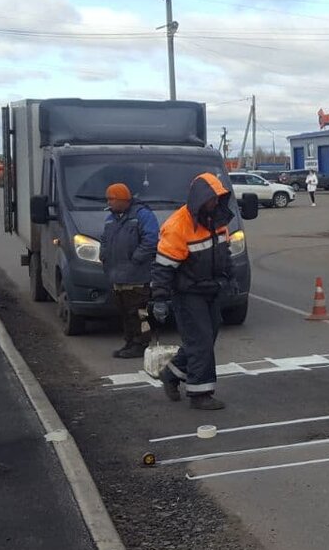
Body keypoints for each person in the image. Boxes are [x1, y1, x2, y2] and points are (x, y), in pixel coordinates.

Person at [150, 173, 236, 410]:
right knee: (201, 342)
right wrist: (159, 299)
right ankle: (200, 393)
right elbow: (163, 266)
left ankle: (171, 373)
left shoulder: (217, 220)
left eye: (219, 198)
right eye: (212, 198)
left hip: (211, 290)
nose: (216, 202)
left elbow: (223, 252)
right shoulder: (178, 226)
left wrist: (230, 277)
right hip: (188, 293)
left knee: (205, 341)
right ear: (200, 198)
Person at [100, 183, 159, 359]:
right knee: (125, 313)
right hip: (118, 276)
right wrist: (104, 255)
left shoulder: (143, 215)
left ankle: (141, 344)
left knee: (138, 313)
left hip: (137, 277)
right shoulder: (111, 218)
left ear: (122, 199)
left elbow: (151, 240)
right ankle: (130, 342)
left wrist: (135, 259)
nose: (108, 202)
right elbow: (105, 239)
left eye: (111, 199)